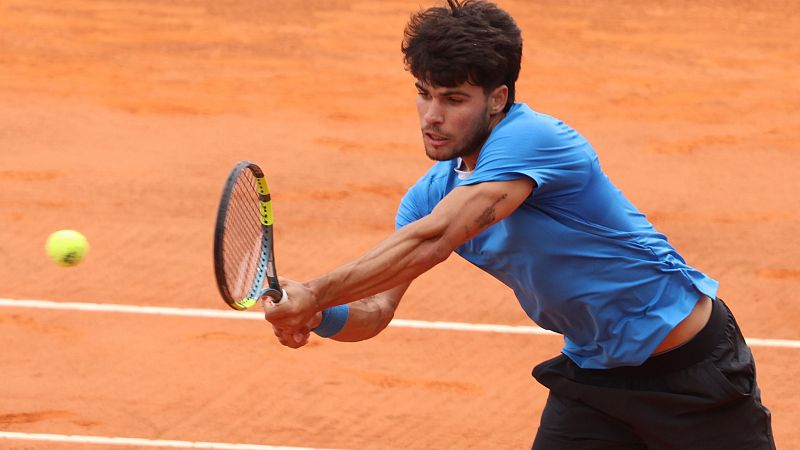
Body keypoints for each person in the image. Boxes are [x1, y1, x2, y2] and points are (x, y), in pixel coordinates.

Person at [263, 1, 775, 448]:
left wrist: (316, 289)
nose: (431, 116)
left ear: (499, 99)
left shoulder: (535, 140)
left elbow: (438, 239)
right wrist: (315, 314)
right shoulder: (427, 198)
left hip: (690, 373)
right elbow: (376, 311)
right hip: (593, 378)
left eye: (454, 99)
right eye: (424, 93)